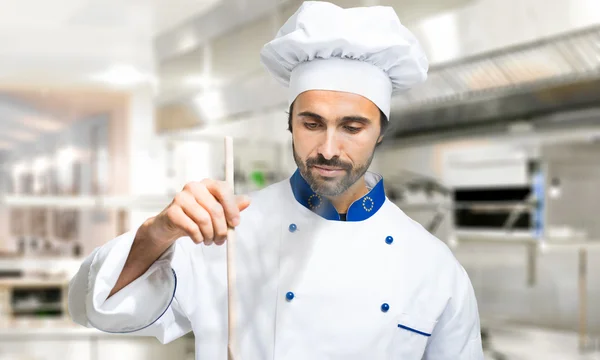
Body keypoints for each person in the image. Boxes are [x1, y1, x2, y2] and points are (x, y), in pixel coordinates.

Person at [68, 2, 484, 359]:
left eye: (352, 127)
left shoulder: (434, 266)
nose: (327, 148)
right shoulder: (227, 233)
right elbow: (98, 306)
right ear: (290, 122)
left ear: (381, 131)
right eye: (312, 123)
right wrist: (158, 232)